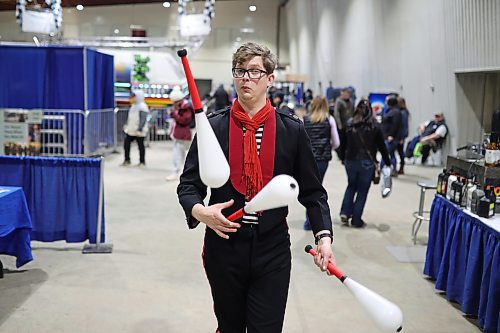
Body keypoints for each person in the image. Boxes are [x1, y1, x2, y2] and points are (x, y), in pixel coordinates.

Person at [177, 42, 335, 333]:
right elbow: (188, 185)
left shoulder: (291, 130)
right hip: (224, 248)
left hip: (271, 249)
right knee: (230, 327)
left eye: (254, 71)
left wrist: (323, 237)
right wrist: (201, 212)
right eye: (239, 71)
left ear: (270, 79)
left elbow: (313, 192)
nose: (245, 78)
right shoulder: (214, 128)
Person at [339, 99, 391, 228]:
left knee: (351, 186)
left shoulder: (349, 124)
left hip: (350, 161)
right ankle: (356, 220)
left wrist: (342, 158)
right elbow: (382, 147)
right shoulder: (375, 126)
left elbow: (342, 144)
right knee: (362, 191)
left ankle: (345, 212)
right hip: (367, 163)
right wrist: (387, 162)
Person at [302, 95, 340, 230]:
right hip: (322, 159)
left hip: (307, 158)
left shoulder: (305, 119)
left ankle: (308, 221)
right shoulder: (329, 120)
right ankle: (313, 221)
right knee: (317, 189)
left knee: (308, 188)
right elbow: (336, 142)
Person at [166, 92, 194, 181]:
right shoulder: (183, 107)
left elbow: (185, 120)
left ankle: (178, 172)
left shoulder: (186, 108)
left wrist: (174, 114)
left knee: (179, 155)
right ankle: (180, 172)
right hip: (180, 134)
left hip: (183, 135)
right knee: (180, 155)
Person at [122, 90, 149, 167]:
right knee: (126, 144)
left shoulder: (143, 106)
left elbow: (143, 119)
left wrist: (140, 128)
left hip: (139, 131)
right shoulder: (133, 106)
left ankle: (142, 161)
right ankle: (127, 160)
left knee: (140, 146)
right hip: (131, 130)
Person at [381, 94, 401, 176]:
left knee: (386, 153)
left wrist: (391, 135)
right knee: (391, 154)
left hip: (391, 137)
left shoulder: (395, 112)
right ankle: (392, 169)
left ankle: (383, 168)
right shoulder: (390, 111)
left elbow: (395, 125)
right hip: (387, 136)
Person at [396, 97, 409, 174]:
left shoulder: (403, 113)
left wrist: (402, 137)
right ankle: (401, 167)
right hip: (400, 135)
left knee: (400, 152)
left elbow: (404, 126)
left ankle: (401, 167)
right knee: (400, 152)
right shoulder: (403, 112)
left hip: (401, 136)